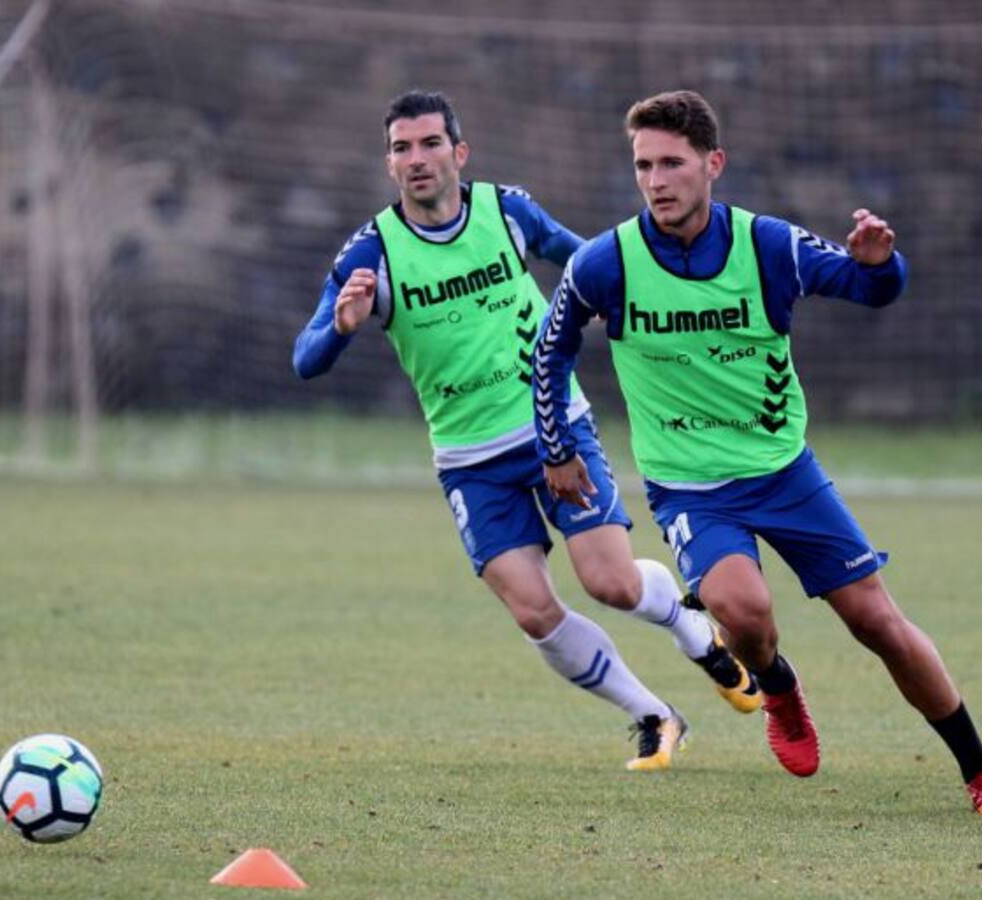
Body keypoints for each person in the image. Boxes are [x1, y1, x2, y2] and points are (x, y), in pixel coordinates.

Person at [532, 89, 982, 809]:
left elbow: (873, 288)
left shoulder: (770, 245)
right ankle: (779, 687)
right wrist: (556, 449)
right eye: (644, 165)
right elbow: (550, 353)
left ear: (714, 164)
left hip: (785, 473)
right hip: (691, 488)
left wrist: (880, 265)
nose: (656, 180)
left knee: (876, 622)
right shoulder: (607, 262)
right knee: (745, 611)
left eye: (672, 162)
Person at [294, 90, 762, 771]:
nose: (417, 159)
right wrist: (340, 327)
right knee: (534, 612)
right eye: (402, 148)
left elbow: (588, 266)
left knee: (612, 585)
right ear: (389, 163)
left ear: (459, 153)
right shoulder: (374, 252)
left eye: (430, 144)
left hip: (552, 429)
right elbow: (304, 359)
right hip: (468, 461)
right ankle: (654, 716)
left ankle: (692, 627)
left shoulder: (506, 211)